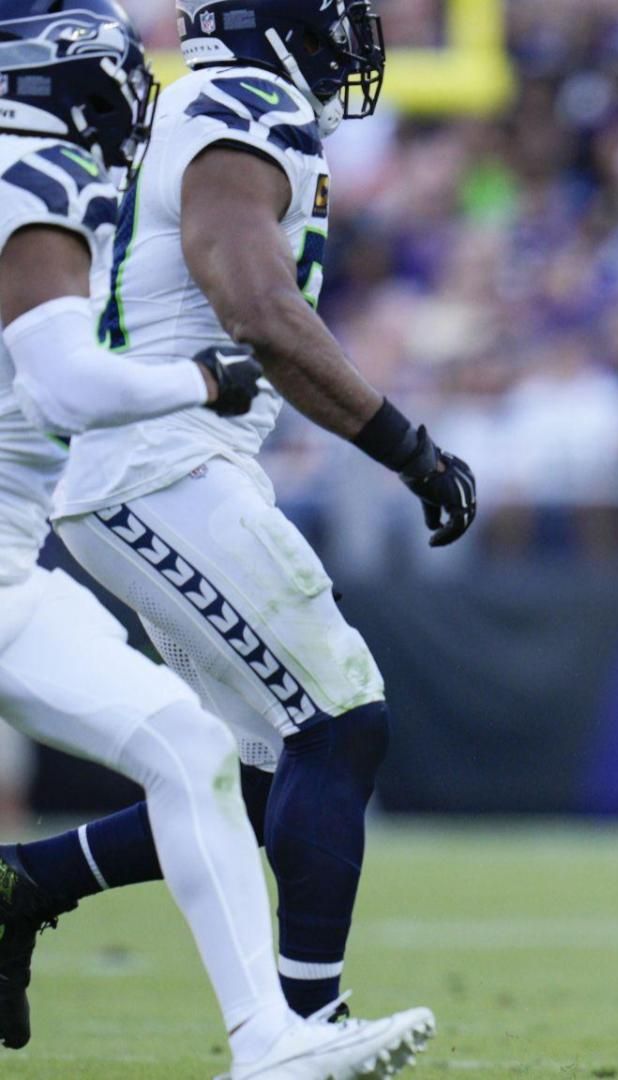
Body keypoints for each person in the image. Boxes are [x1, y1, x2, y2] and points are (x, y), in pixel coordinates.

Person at [1, 0, 476, 1034]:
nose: (351, 39)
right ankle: (309, 1023)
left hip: (160, 470)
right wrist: (407, 447)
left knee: (265, 774)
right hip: (162, 470)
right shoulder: (247, 104)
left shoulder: (195, 103)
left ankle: (25, 885)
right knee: (342, 720)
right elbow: (258, 309)